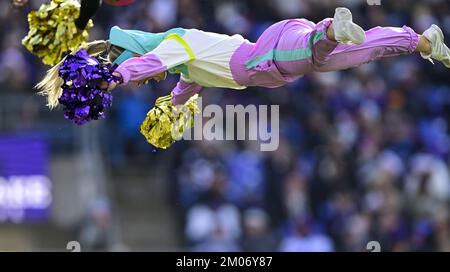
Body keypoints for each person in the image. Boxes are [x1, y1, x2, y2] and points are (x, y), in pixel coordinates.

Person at [36, 7, 450, 147]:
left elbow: (151, 65)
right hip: (274, 58)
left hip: (270, 53)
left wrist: (111, 78)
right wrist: (172, 113)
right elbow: (184, 86)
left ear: (135, 52)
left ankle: (328, 30)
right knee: (343, 56)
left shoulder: (176, 43)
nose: (147, 81)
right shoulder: (185, 64)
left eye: (133, 64)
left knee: (320, 56)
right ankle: (421, 42)